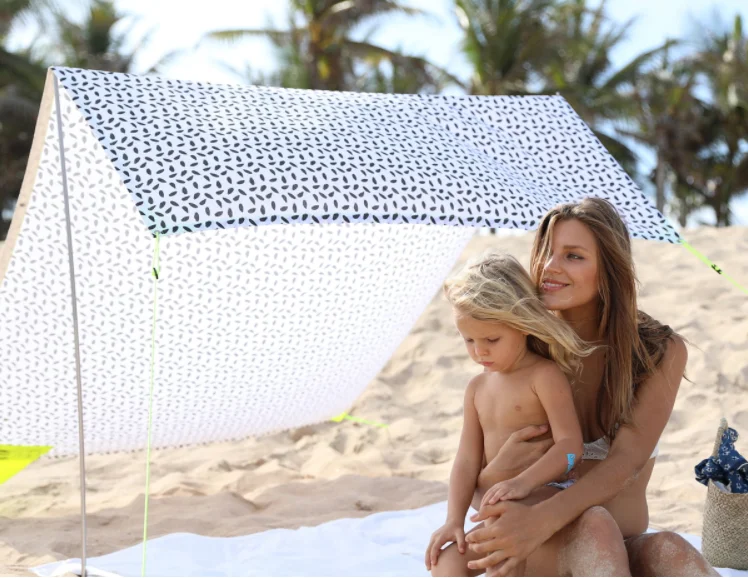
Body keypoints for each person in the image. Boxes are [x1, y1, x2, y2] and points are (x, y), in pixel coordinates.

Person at [463, 198, 718, 576]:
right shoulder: (524, 349)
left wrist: (544, 517)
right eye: (546, 252)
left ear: (609, 268)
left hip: (617, 542)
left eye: (573, 256)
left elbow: (625, 462)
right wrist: (502, 482)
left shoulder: (656, 351)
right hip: (537, 545)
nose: (550, 266)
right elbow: (477, 488)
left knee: (672, 551)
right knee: (594, 530)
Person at [425, 252, 592, 576]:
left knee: (505, 548)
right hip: (496, 507)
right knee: (446, 563)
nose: (479, 351)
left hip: (542, 500)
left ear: (523, 324)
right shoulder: (477, 388)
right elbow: (466, 460)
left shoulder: (543, 376)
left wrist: (522, 483)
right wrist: (453, 520)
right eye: (468, 340)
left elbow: (572, 448)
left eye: (492, 339)